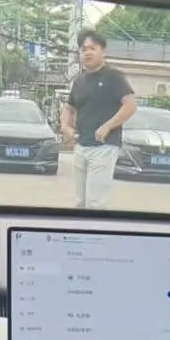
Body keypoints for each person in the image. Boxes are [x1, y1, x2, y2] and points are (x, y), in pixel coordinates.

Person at [61, 30, 136, 209]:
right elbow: (69, 107)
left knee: (95, 203)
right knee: (80, 202)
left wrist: (108, 126)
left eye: (92, 48)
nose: (87, 52)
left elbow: (130, 105)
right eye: (83, 49)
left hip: (104, 147)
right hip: (81, 145)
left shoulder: (114, 77)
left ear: (103, 51)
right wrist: (65, 126)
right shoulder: (79, 81)